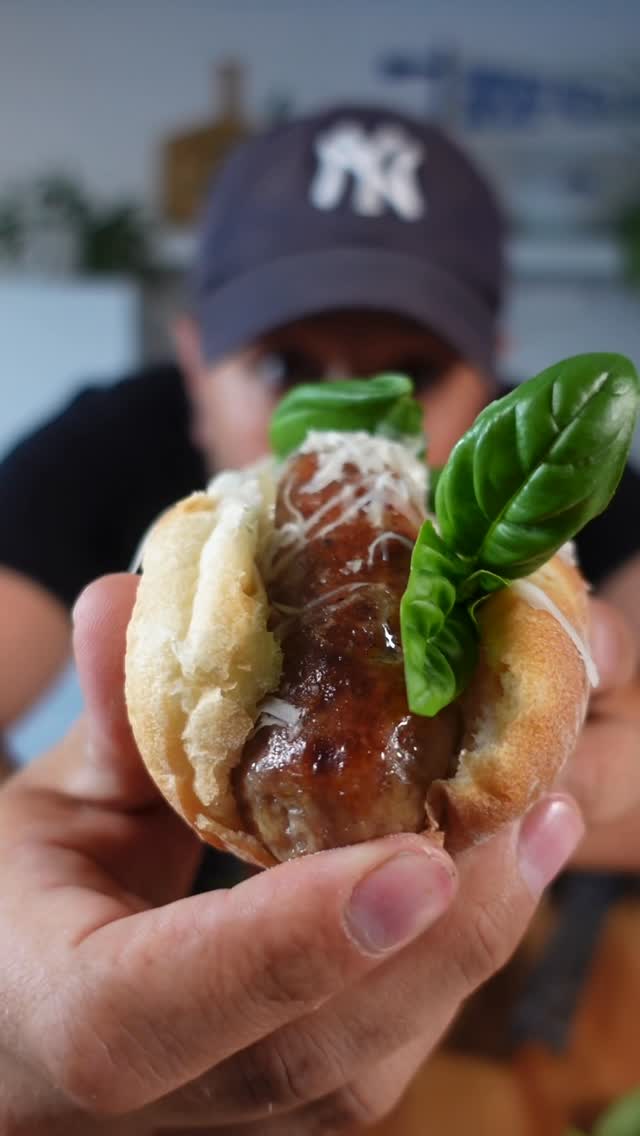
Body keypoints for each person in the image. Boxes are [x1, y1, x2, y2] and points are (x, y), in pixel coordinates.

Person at [0, 104, 639, 1132]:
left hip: (484, 1035)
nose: (345, 415)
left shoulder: (554, 473)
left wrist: (587, 772)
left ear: (493, 372)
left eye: (415, 370)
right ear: (194, 359)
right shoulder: (104, 446)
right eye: (284, 366)